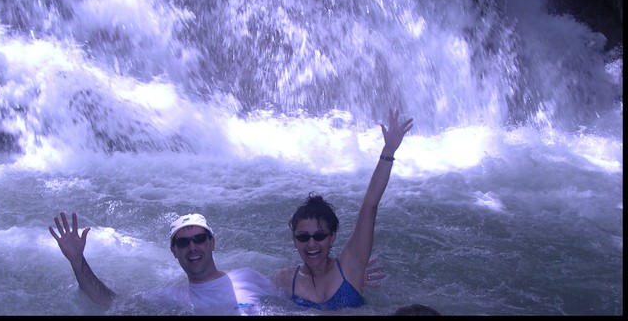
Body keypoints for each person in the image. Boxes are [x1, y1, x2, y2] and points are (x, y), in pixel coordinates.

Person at [49, 211, 386, 315]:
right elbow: (110, 302)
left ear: (212, 242)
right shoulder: (173, 296)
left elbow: (306, 294)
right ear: (174, 252)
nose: (192, 247)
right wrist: (78, 262)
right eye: (183, 242)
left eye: (199, 239)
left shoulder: (251, 277)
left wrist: (344, 276)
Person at [270, 108, 413, 311]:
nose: (311, 243)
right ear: (294, 240)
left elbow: (369, 206)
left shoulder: (350, 267)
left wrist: (388, 151)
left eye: (319, 235)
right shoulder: (284, 280)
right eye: (303, 237)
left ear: (332, 237)